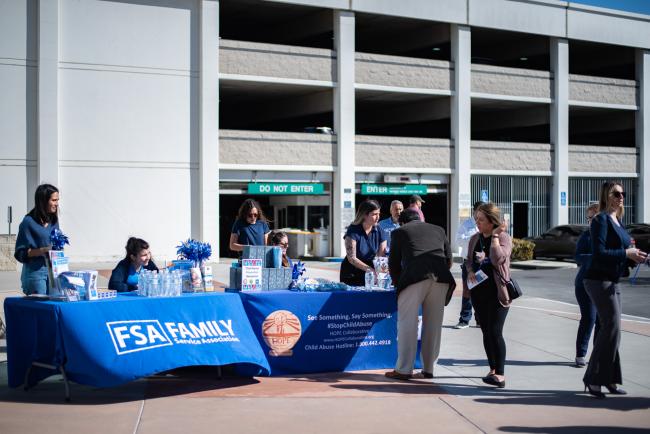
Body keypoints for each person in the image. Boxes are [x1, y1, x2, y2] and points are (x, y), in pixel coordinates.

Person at [582, 182, 647, 398]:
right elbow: (599, 252)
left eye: (623, 193)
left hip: (613, 279)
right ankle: (593, 379)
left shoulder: (617, 220)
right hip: (597, 280)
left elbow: (622, 250)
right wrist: (626, 253)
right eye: (616, 193)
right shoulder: (600, 219)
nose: (621, 197)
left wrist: (636, 256)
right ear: (606, 195)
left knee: (614, 331)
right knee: (609, 327)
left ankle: (609, 378)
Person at [384, 209, 456, 380]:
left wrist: (398, 283)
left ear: (402, 222)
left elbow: (393, 263)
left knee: (407, 324)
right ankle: (429, 369)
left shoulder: (399, 232)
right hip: (441, 278)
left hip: (414, 278)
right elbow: (449, 259)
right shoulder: (439, 229)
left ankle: (403, 370)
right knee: (433, 325)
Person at [465, 202, 512, 388]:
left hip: (498, 293)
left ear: (492, 221)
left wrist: (493, 237)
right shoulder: (474, 239)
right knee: (486, 331)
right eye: (476, 219)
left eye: (482, 220)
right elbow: (468, 261)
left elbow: (498, 259)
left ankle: (500, 374)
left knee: (495, 331)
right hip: (479, 292)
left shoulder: (503, 238)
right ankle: (492, 369)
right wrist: (469, 270)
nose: (478, 223)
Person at [14, 184, 61, 295]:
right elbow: (20, 253)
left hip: (53, 271)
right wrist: (43, 250)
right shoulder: (28, 222)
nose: (57, 204)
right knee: (39, 308)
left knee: (54, 305)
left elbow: (58, 242)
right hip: (35, 273)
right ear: (43, 201)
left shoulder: (53, 220)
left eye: (57, 200)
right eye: (54, 200)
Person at [573, 203, 600, 367]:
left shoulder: (608, 236)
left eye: (592, 218)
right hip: (585, 284)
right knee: (589, 318)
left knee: (602, 322)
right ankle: (580, 354)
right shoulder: (586, 236)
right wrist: (596, 257)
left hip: (603, 284)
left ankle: (598, 353)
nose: (589, 221)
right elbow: (577, 257)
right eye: (588, 218)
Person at [339, 200, 387, 286]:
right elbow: (352, 258)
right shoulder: (353, 230)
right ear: (365, 215)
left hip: (371, 271)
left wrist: (382, 271)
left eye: (378, 214)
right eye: (374, 214)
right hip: (352, 273)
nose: (378, 217)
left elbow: (381, 257)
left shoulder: (380, 230)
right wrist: (370, 270)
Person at [454, 201, 485, 329]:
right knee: (468, 290)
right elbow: (459, 240)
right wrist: (474, 238)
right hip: (469, 262)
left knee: (482, 292)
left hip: (483, 262)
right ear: (474, 210)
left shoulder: (486, 224)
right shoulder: (466, 225)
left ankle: (480, 320)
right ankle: (464, 319)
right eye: (480, 210)